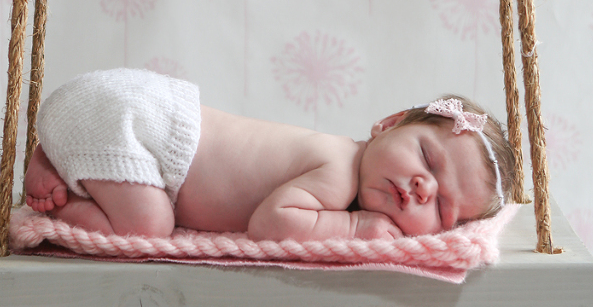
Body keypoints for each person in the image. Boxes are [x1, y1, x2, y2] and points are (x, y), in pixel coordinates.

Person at [25, 68, 515, 241]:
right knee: (148, 227)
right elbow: (270, 223)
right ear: (388, 125)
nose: (422, 188)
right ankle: (61, 203)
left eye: (443, 208)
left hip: (125, 115)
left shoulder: (342, 168)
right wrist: (353, 228)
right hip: (141, 124)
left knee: (143, 206)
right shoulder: (339, 170)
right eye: (428, 159)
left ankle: (60, 159)